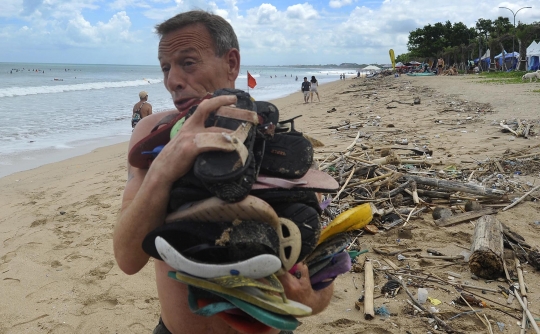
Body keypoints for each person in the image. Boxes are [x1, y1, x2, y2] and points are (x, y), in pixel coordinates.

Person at [113, 10, 334, 334]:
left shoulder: (279, 144)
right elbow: (128, 258)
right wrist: (163, 170)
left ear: (231, 63)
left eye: (187, 63)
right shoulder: (151, 136)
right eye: (165, 67)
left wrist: (308, 298)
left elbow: (320, 275)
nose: (172, 80)